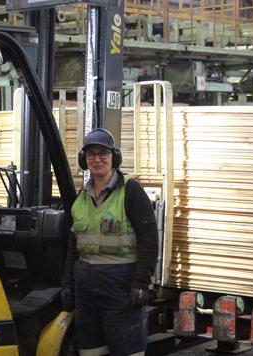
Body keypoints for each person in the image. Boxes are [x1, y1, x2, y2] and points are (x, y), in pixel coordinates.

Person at [61, 128, 158, 356]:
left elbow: (149, 237)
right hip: (86, 286)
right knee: (91, 350)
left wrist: (141, 282)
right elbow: (73, 245)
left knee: (126, 348)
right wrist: (67, 282)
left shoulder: (130, 191)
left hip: (120, 285)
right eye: (91, 154)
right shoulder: (81, 198)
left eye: (103, 153)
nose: (97, 159)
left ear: (114, 157)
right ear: (84, 161)